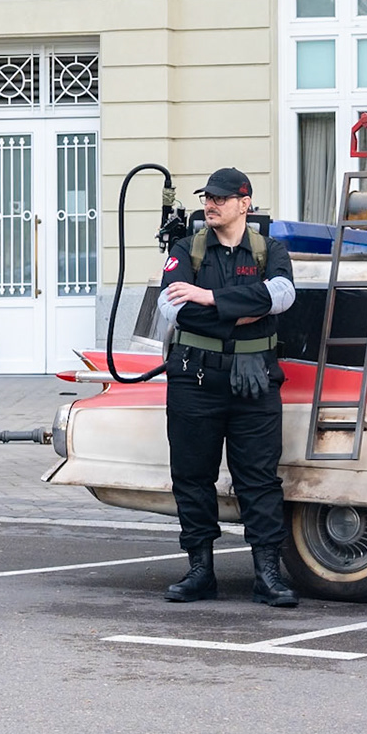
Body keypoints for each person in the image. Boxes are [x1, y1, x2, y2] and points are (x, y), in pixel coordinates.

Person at [156, 167, 299, 607]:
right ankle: (200, 570)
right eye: (207, 198)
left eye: (220, 198)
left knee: (258, 479)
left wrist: (209, 298)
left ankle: (267, 575)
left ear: (244, 204)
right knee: (192, 476)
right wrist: (242, 309)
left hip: (253, 380)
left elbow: (281, 296)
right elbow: (172, 309)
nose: (211, 205)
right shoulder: (187, 248)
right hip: (194, 378)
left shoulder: (270, 250)